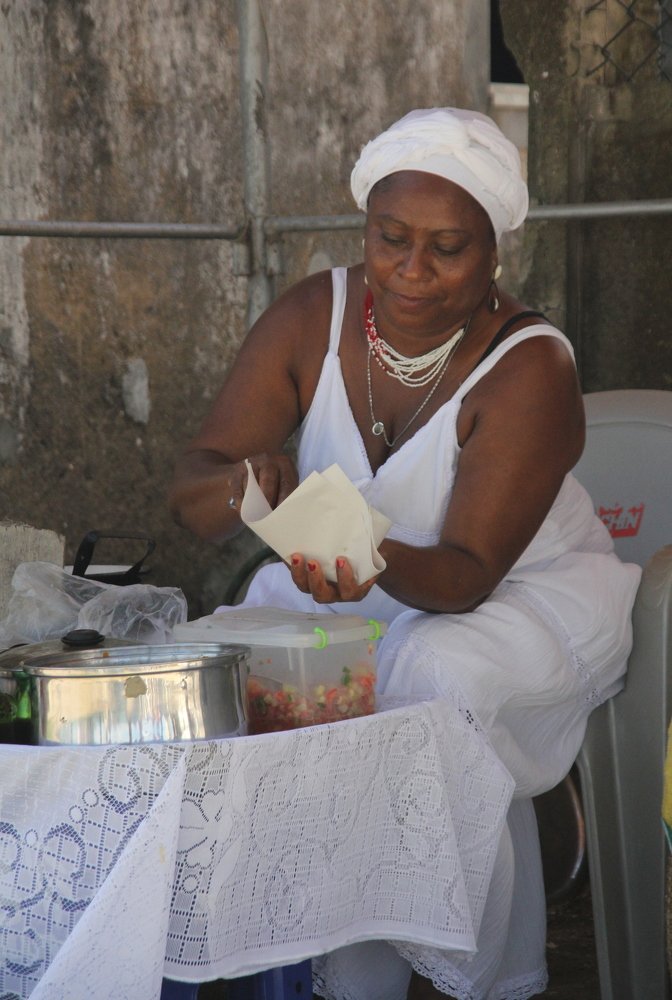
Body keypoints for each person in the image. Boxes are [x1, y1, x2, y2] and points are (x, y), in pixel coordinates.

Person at [168, 108, 641, 1000]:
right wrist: (247, 489)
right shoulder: (320, 311)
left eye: (448, 248)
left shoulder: (530, 366)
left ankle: (480, 976)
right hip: (365, 584)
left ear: (495, 252)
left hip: (524, 601)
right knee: (233, 655)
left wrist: (359, 553)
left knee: (428, 673)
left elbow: (463, 576)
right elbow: (194, 488)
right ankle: (307, 954)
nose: (411, 271)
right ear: (364, 230)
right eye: (391, 239)